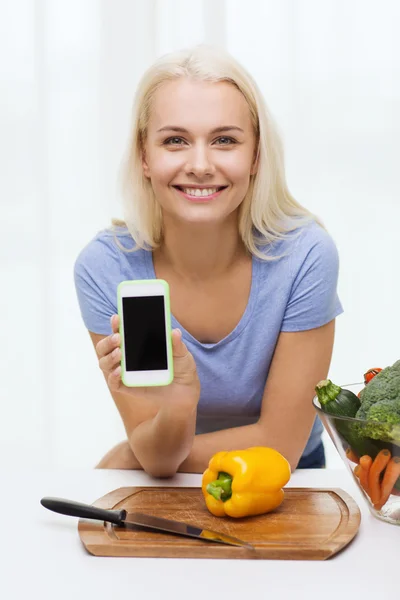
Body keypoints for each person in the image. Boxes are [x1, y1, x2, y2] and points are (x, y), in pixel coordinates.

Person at [74, 44, 343, 477]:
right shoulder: (106, 267)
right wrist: (179, 402)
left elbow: (280, 448)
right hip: (165, 480)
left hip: (289, 481)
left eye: (225, 140)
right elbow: (158, 456)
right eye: (175, 140)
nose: (200, 165)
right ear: (144, 156)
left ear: (256, 156)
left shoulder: (305, 256)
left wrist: (132, 456)